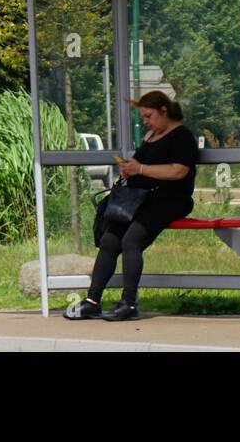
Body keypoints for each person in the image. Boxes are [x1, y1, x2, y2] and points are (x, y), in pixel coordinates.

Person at [65, 91, 197, 322]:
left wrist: (141, 169)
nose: (146, 121)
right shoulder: (150, 136)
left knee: (131, 240)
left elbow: (178, 171)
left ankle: (129, 302)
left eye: (149, 116)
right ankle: (92, 301)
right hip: (139, 199)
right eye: (143, 117)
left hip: (170, 199)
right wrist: (129, 168)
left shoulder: (182, 137)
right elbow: (140, 165)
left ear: (164, 111)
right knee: (109, 241)